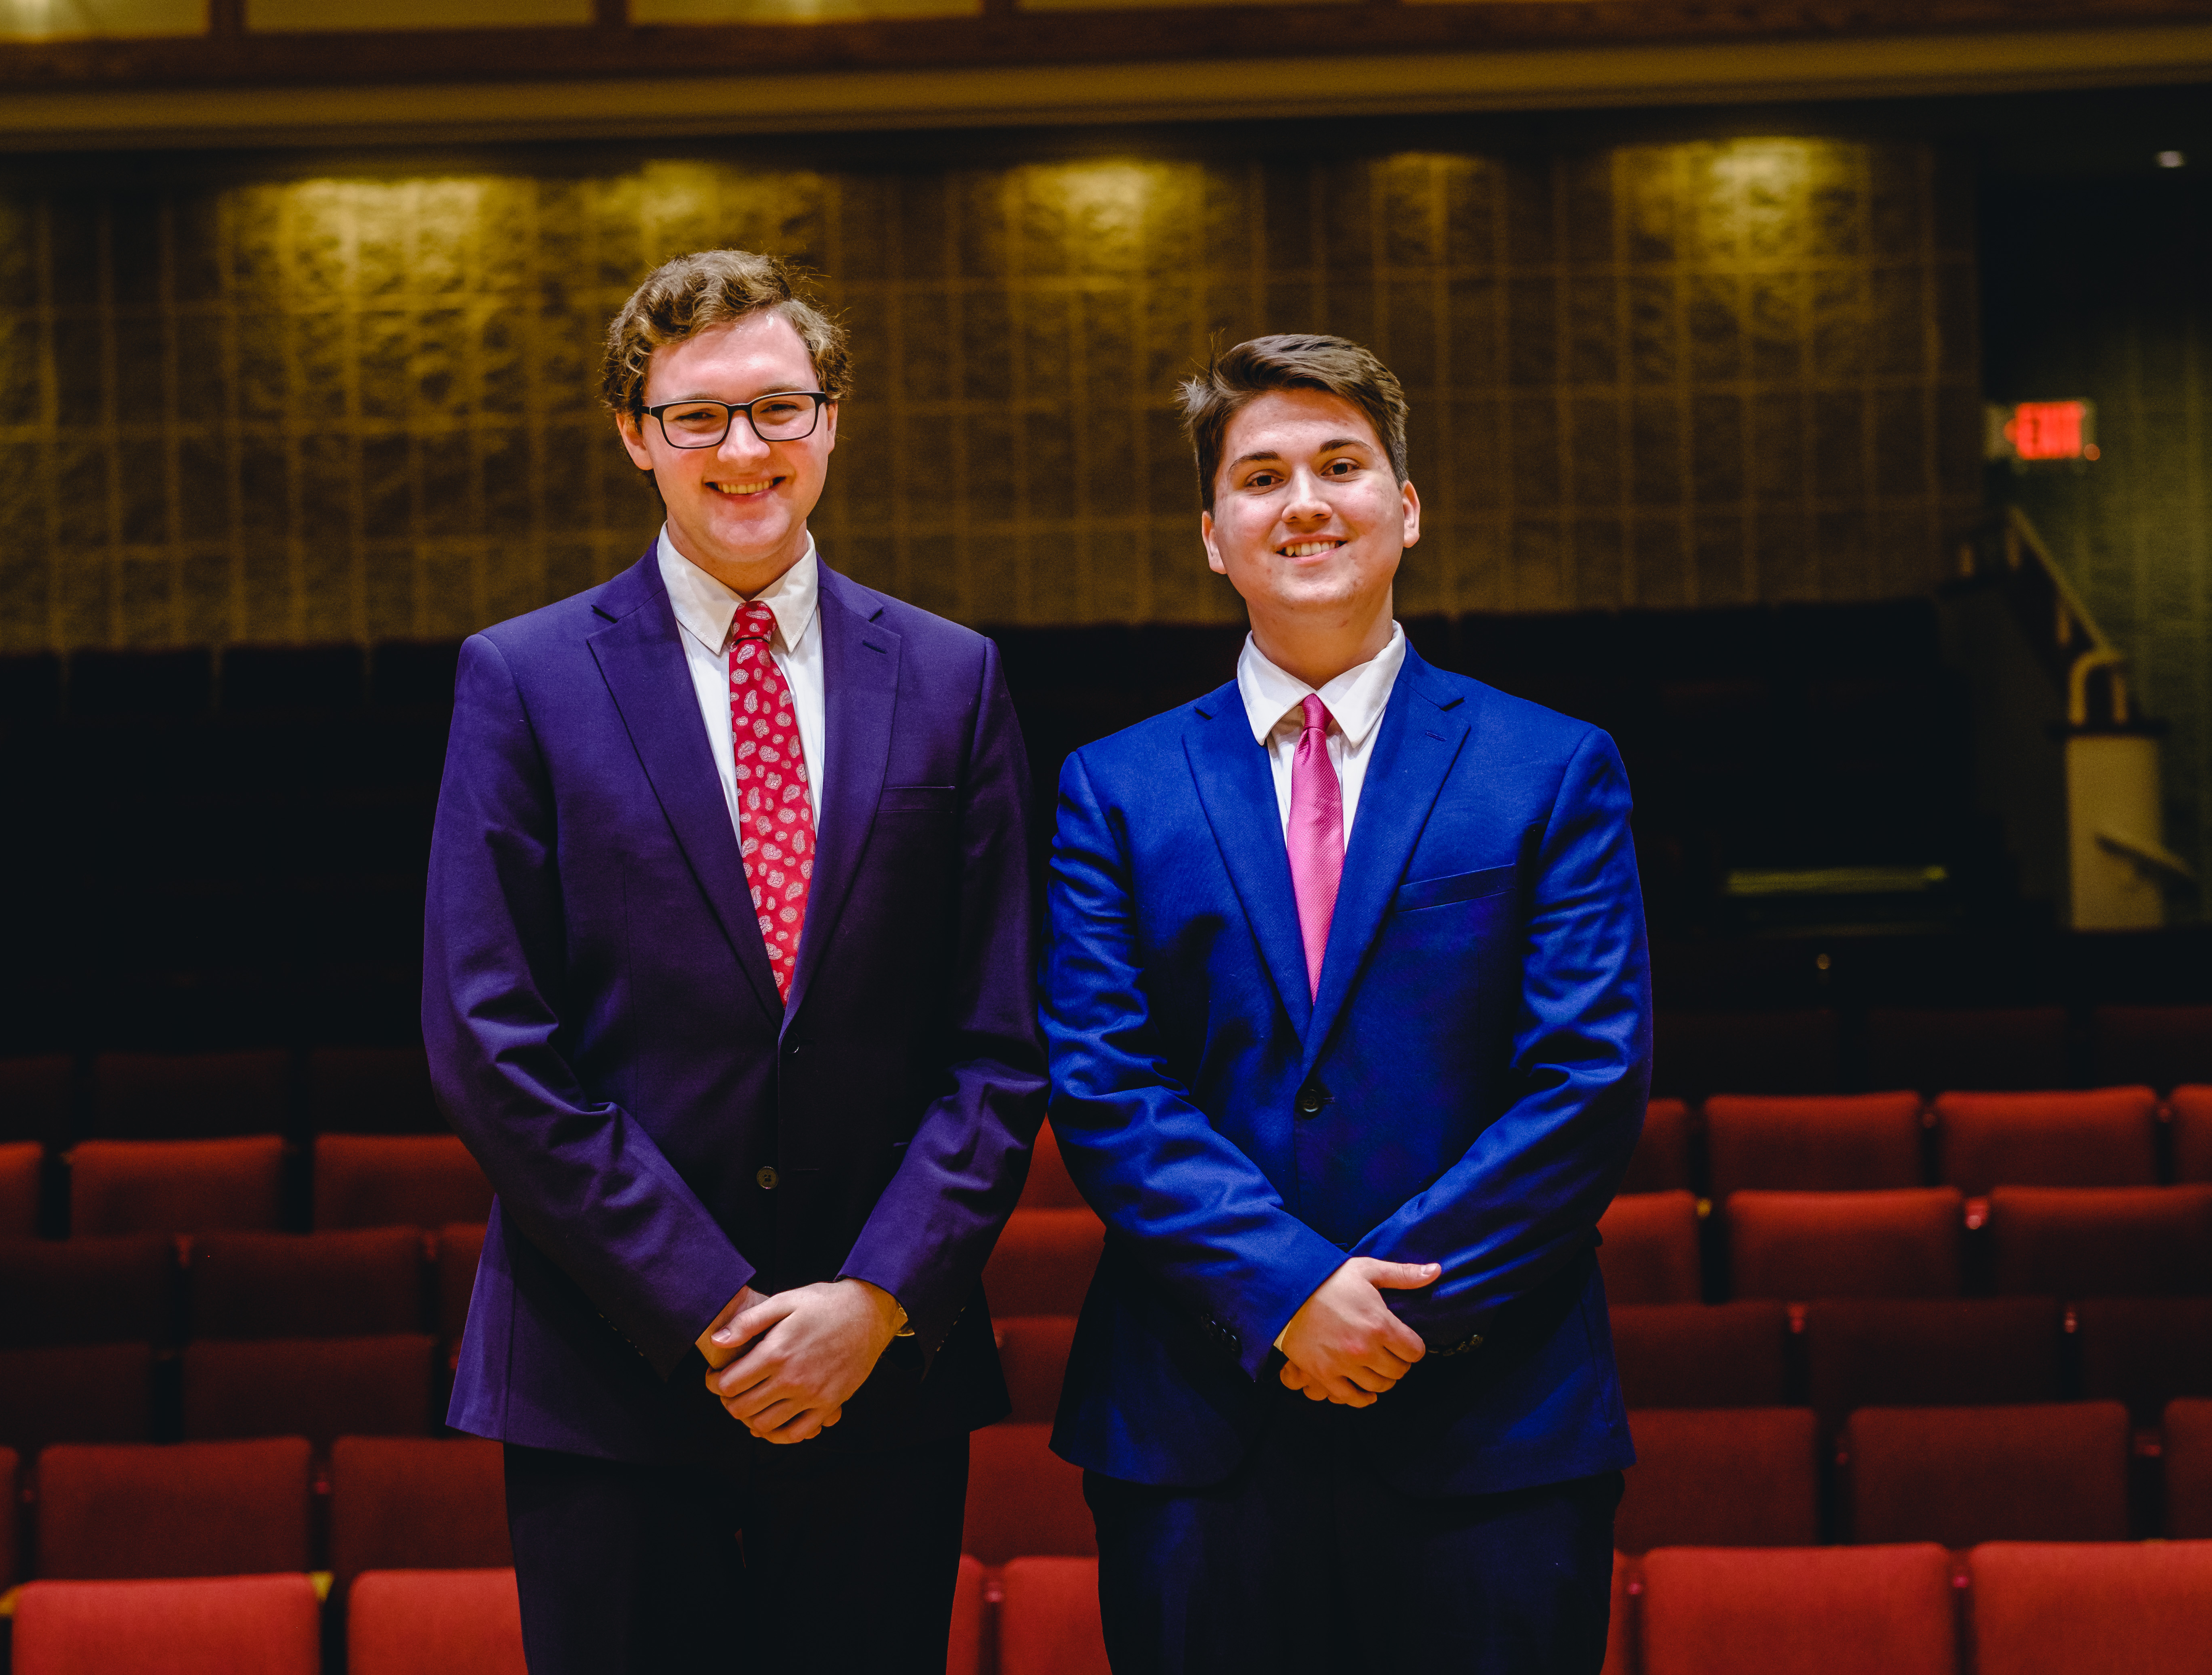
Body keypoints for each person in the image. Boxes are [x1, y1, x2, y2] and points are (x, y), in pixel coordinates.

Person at [422, 248, 1046, 1675]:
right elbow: (487, 1034)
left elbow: (1002, 1039)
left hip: (881, 1373)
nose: (744, 449)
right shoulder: (521, 678)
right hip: (610, 1371)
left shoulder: (956, 678)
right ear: (636, 436)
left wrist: (873, 1300)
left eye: (778, 407)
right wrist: (712, 1304)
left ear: (833, 420)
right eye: (698, 416)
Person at [1041, 334, 1650, 1674]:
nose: (1304, 501)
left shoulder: (1552, 768)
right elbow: (1103, 1080)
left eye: (1341, 465)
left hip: (1487, 1415)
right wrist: (1287, 1290)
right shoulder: (1114, 785)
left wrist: (1383, 1309)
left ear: (1407, 506)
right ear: (1213, 535)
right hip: (1201, 1420)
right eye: (1259, 477)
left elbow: (1585, 1084)